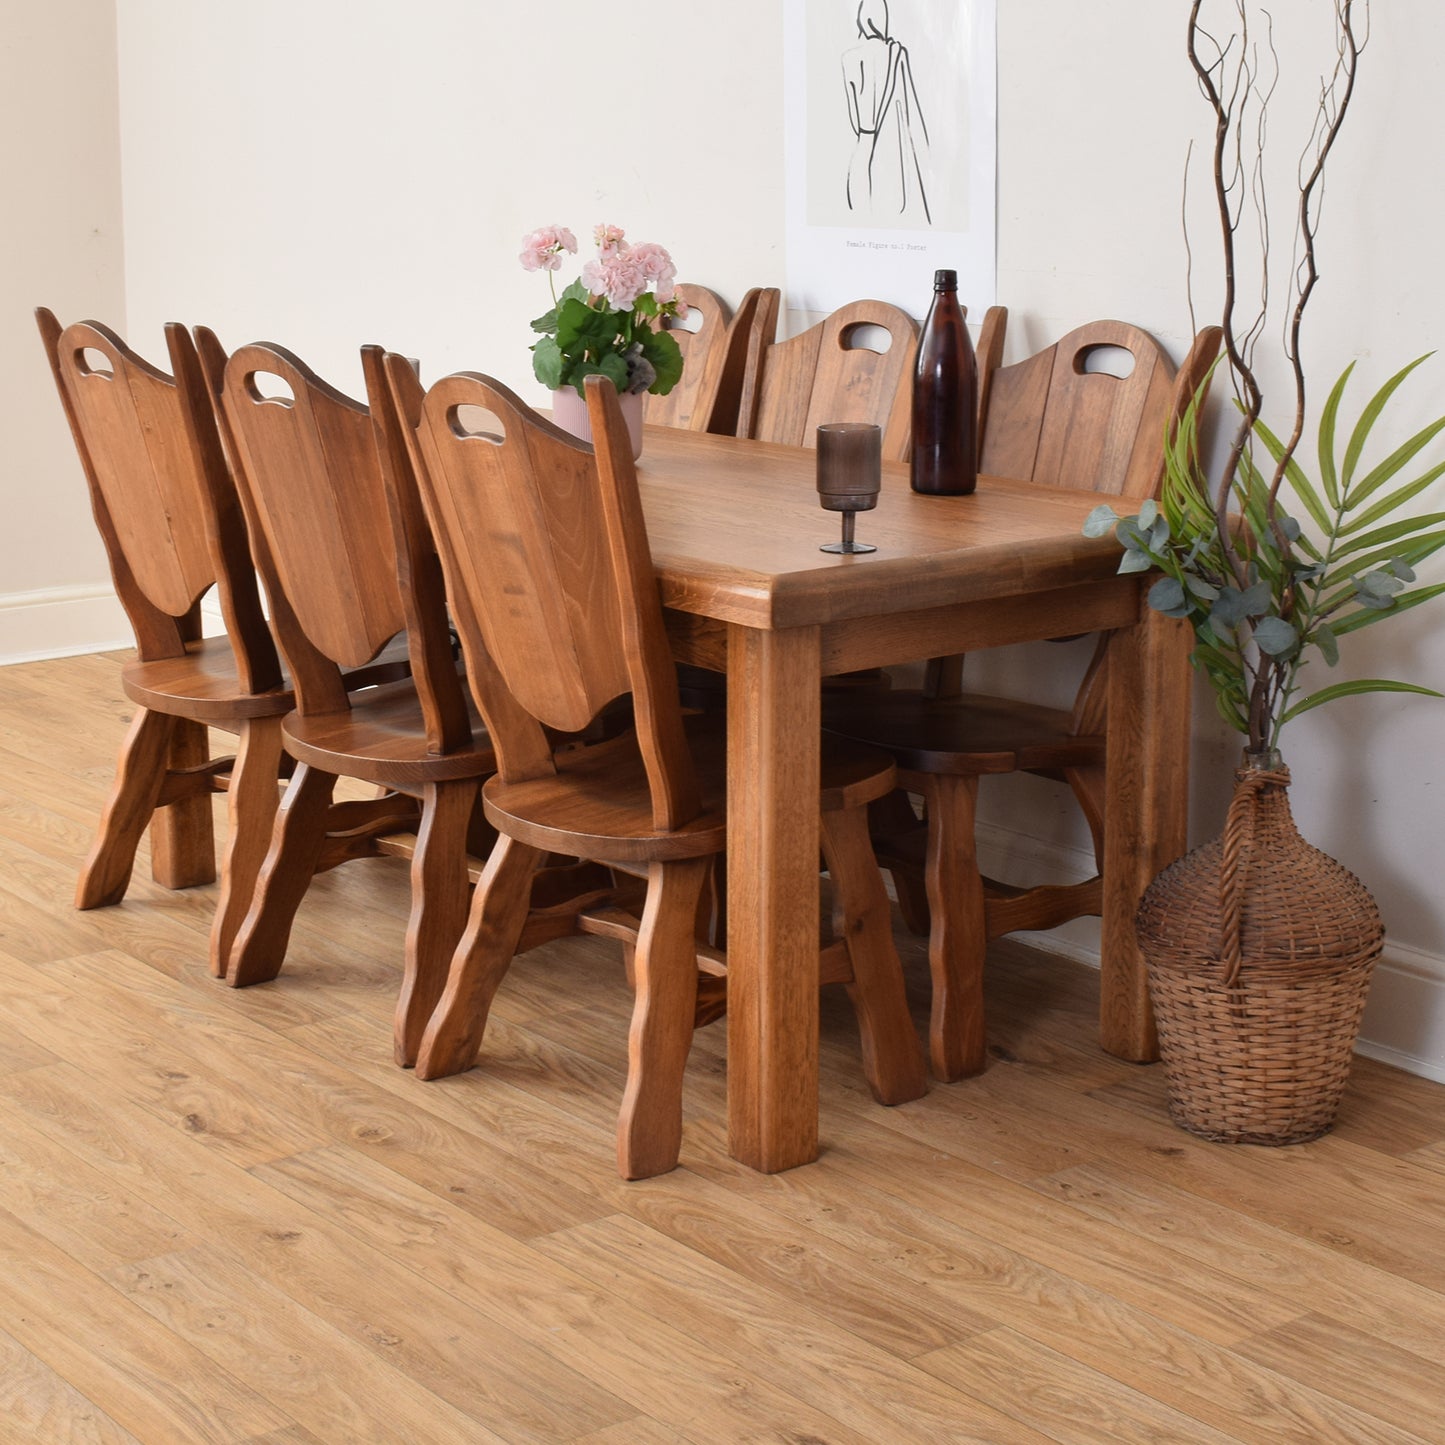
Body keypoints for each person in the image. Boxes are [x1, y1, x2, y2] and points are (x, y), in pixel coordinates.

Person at [842, 0, 931, 225]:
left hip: (864, 136)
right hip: (887, 136)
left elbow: (854, 118)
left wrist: (865, 126)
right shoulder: (895, 52)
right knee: (886, 204)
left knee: (860, 211)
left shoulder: (849, 58)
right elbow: (905, 104)